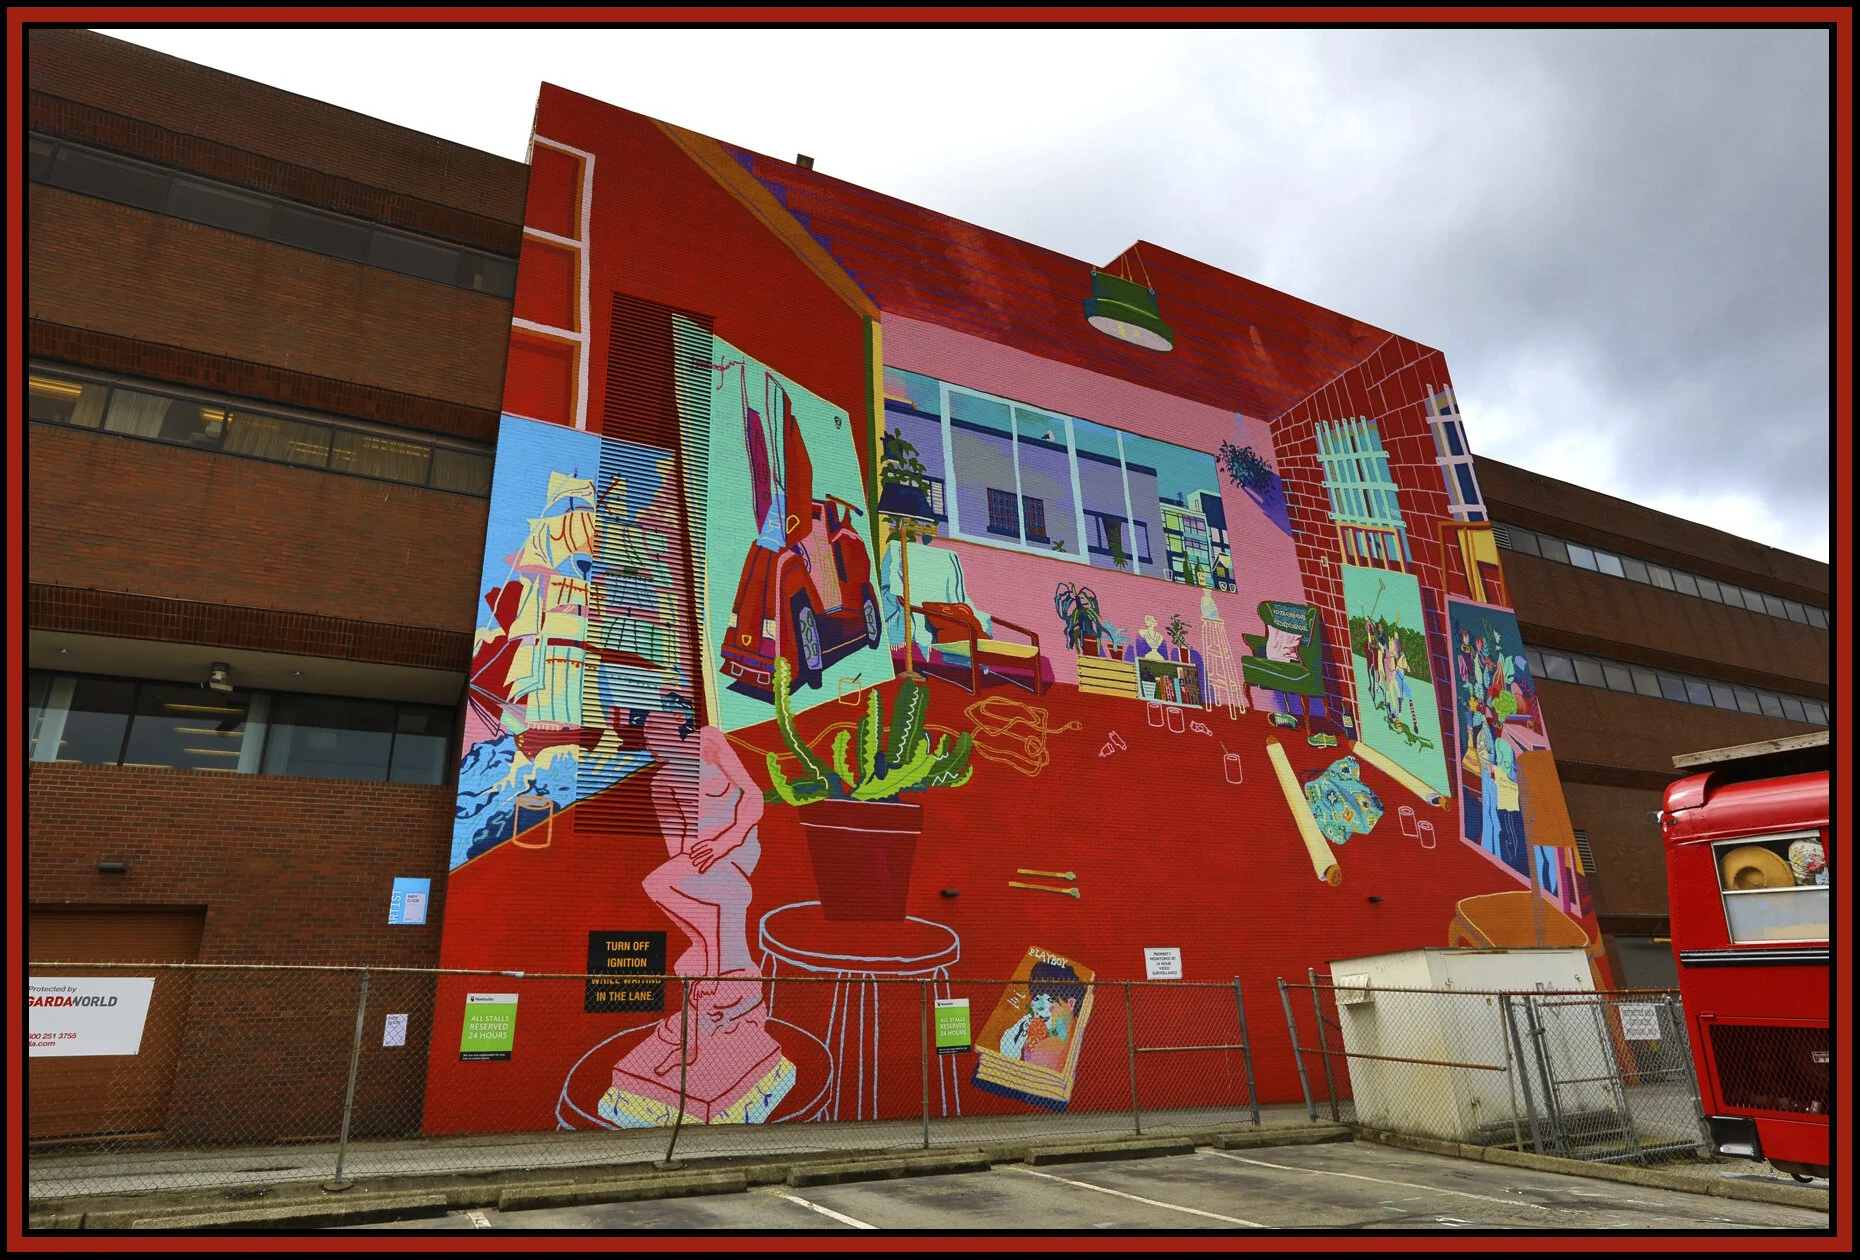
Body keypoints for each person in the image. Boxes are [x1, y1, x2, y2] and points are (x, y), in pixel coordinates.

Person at [998, 962, 1086, 1071]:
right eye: (1036, 998)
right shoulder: (1049, 1034)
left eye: (1050, 1000)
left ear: (1071, 1004)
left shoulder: (1047, 1048)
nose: (1039, 1007)